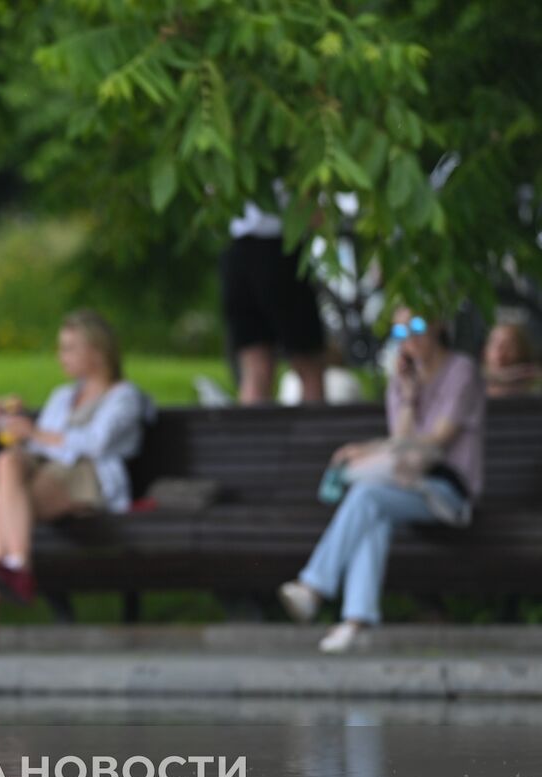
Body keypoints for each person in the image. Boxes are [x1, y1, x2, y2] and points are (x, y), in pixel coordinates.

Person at [0, 311, 150, 651]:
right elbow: (37, 444)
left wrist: (34, 432)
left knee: (4, 503)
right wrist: (8, 426)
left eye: (70, 348)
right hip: (47, 473)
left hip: (87, 478)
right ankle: (17, 564)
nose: (62, 356)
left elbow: (96, 443)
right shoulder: (63, 395)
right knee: (6, 461)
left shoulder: (124, 396)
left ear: (98, 351)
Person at [278, 307, 485, 653]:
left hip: (449, 491)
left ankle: (314, 586)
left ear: (438, 323)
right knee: (373, 509)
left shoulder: (460, 371)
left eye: (417, 325)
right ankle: (357, 621)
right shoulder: (401, 382)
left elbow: (437, 442)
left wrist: (372, 450)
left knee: (368, 496)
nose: (411, 337)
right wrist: (406, 394)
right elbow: (402, 443)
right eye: (400, 332)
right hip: (405, 487)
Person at [221, 196, 326, 404]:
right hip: (280, 249)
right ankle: (317, 435)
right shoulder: (291, 165)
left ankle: (253, 435)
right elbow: (316, 217)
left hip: (237, 252)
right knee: (308, 364)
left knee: (254, 370)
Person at [482, 322, 540, 398]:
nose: (499, 348)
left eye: (508, 344)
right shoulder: (476, 379)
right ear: (485, 351)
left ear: (522, 351)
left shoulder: (533, 381)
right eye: (494, 342)